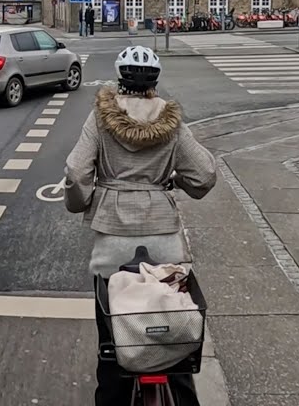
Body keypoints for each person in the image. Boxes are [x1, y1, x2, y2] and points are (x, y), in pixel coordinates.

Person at [63, 45, 216, 406]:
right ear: (154, 82)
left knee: (113, 341)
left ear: (120, 78)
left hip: (112, 241)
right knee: (173, 336)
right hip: (163, 238)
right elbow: (205, 174)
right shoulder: (171, 121)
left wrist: (80, 202)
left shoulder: (101, 118)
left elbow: (76, 171)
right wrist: (177, 182)